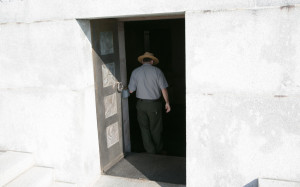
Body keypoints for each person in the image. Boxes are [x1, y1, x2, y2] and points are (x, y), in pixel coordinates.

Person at [128, 52, 171, 154]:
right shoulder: (157, 71)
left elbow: (130, 91)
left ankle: (150, 151)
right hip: (154, 105)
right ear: (152, 61)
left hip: (141, 104)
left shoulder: (135, 72)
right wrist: (167, 103)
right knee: (155, 128)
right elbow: (163, 89)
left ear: (142, 61)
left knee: (144, 128)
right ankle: (158, 150)